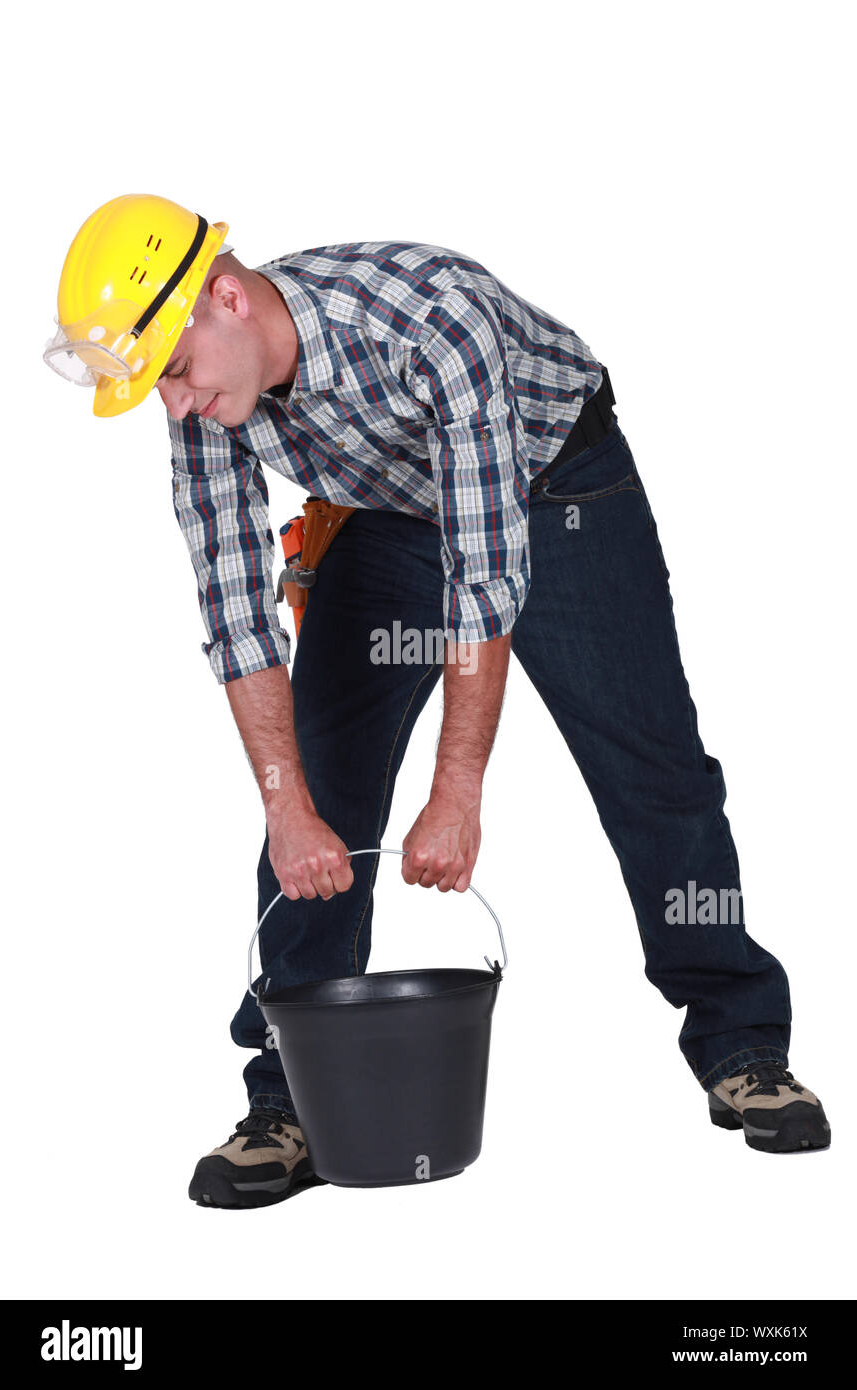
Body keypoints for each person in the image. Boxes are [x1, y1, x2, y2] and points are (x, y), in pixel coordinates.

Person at [44, 194, 831, 1208]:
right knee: (322, 776)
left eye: (177, 373)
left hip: (561, 487)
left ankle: (741, 1039)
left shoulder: (427, 318)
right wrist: (287, 806)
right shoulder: (207, 393)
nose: (177, 404)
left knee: (655, 772)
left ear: (224, 298)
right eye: (154, 388)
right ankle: (289, 1095)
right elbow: (233, 606)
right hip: (389, 509)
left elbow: (485, 570)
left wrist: (456, 789)